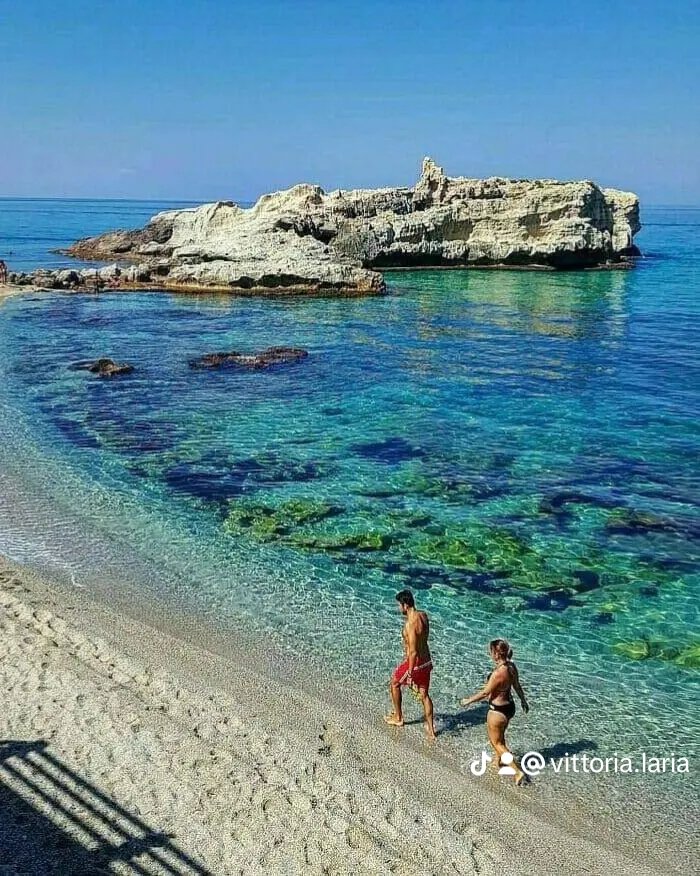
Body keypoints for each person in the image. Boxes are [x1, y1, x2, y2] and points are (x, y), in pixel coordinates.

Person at [459, 638, 529, 784]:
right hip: (509, 708)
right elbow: (516, 685)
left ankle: (517, 772)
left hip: (497, 711)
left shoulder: (498, 673)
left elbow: (485, 693)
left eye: (491, 651)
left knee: (496, 743)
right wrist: (523, 700)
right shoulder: (511, 667)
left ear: (497, 654)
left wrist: (468, 701)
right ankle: (499, 761)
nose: (490, 654)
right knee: (500, 738)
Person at [384, 589, 436, 740]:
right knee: (425, 695)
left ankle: (399, 717)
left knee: (394, 683)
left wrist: (410, 672)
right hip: (427, 661)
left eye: (399, 605)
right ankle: (431, 730)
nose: (398, 608)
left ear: (405, 605)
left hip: (415, 663)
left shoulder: (410, 625)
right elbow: (424, 638)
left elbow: (413, 652)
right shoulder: (424, 616)